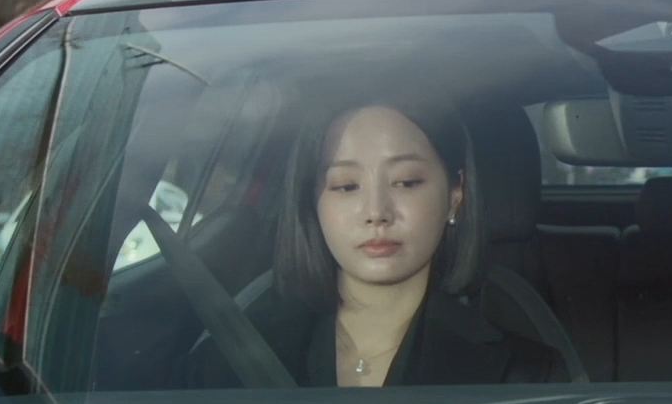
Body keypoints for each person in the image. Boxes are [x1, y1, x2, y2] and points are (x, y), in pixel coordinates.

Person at [195, 94, 564, 387]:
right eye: (346, 186)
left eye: (406, 182)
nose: (376, 212)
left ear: (455, 195)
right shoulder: (232, 361)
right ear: (313, 203)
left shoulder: (523, 377)